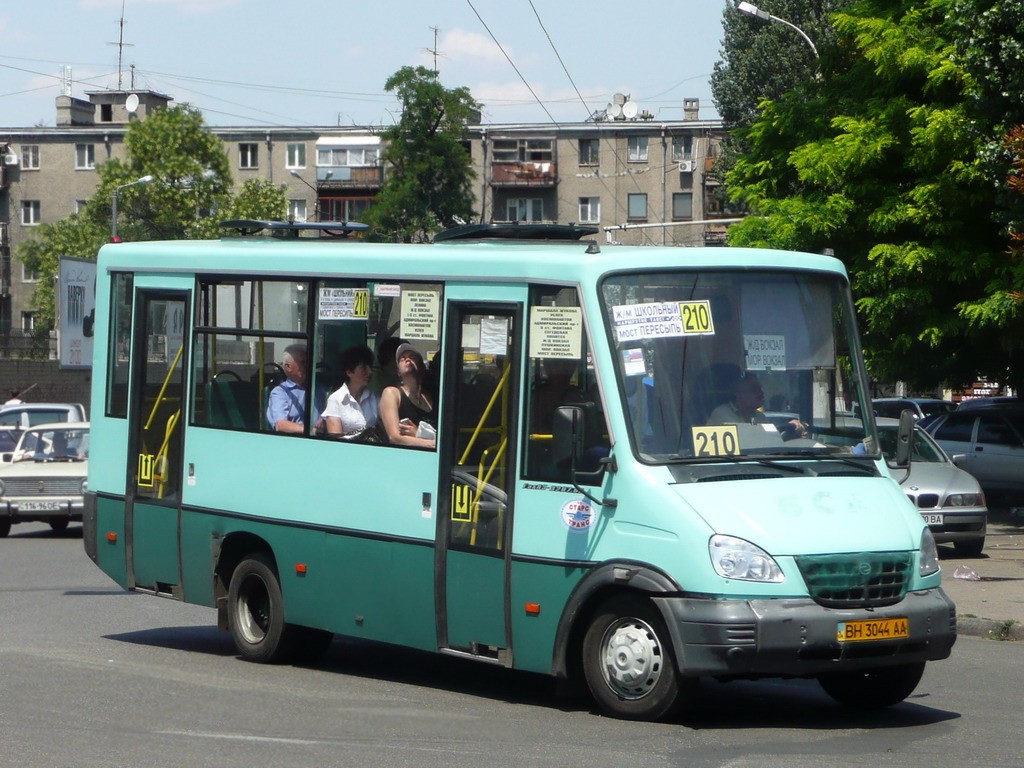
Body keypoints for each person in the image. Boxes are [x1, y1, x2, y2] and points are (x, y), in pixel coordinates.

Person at [708, 371, 806, 438]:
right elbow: (747, 439)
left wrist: (791, 431)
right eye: (754, 389)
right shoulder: (721, 414)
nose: (761, 394)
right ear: (738, 393)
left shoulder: (760, 417)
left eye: (760, 389)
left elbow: (770, 441)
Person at [379, 343, 436, 449]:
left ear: (421, 366)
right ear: (398, 371)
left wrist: (418, 434)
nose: (408, 360)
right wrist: (433, 444)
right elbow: (395, 437)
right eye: (402, 359)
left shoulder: (431, 396)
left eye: (413, 357)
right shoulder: (392, 393)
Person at [322, 345, 379, 439]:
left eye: (370, 367)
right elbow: (335, 439)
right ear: (349, 372)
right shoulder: (335, 399)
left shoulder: (374, 398)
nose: (369, 372)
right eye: (364, 368)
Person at [266, 344, 323, 434]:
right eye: (303, 362)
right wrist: (310, 431)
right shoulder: (280, 392)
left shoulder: (318, 389)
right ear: (288, 367)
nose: (308, 366)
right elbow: (281, 425)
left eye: (310, 362)